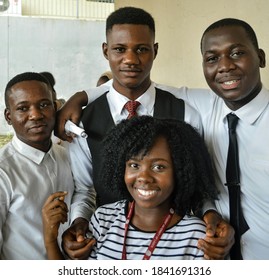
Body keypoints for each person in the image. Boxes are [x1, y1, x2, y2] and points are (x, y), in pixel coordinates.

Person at [58, 17, 269, 260]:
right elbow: (85, 189)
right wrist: (82, 95)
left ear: (154, 51)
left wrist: (209, 215)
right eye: (119, 49)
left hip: (180, 241)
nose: (130, 59)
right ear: (106, 51)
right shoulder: (86, 120)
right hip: (112, 242)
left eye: (141, 49)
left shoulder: (189, 109)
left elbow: (198, 183)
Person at [43, 116, 219, 260]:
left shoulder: (197, 236)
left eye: (159, 167)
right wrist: (50, 239)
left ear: (181, 171)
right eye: (134, 165)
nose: (144, 177)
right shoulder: (104, 219)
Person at [0, 72, 74, 259]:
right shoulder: (4, 170)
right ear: (9, 117)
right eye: (23, 108)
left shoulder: (68, 157)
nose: (35, 115)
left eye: (43, 105)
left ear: (56, 107)